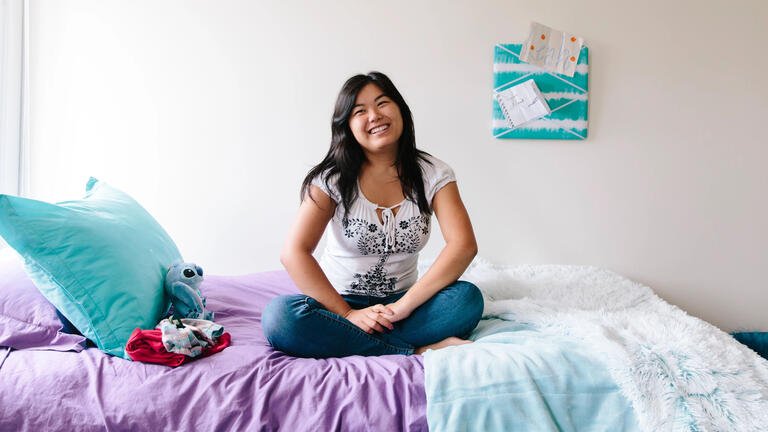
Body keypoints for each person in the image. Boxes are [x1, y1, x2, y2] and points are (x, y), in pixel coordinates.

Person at [261, 71, 483, 358]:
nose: (374, 116)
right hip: (338, 307)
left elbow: (463, 245)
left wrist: (404, 306)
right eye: (360, 111)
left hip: (403, 305)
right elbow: (294, 253)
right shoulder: (330, 180)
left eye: (382, 103)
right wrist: (349, 314)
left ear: (400, 110)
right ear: (347, 126)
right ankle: (416, 349)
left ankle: (362, 344)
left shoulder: (435, 174)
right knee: (280, 318)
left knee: (466, 299)